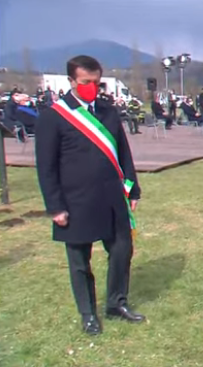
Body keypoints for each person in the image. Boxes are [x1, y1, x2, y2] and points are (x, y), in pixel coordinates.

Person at [35, 55, 145, 336]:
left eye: (97, 82)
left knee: (122, 250)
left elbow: (123, 152)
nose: (92, 87)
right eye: (86, 82)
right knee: (79, 262)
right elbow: (46, 167)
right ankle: (88, 315)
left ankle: (116, 303)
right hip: (75, 202)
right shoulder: (54, 116)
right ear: (71, 81)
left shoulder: (108, 111)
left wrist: (132, 188)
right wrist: (55, 207)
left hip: (111, 198)